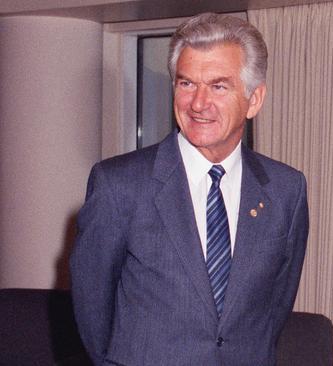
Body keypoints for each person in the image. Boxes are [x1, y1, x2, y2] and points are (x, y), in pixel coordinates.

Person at [70, 13, 309, 365]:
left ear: (254, 99)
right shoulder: (119, 186)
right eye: (186, 84)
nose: (198, 103)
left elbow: (275, 308)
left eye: (218, 86)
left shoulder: (286, 191)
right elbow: (92, 308)